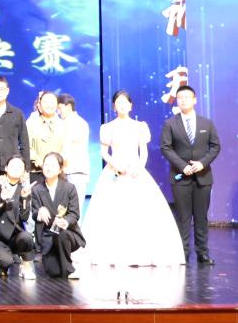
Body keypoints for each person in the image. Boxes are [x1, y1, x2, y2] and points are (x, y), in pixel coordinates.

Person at [80, 90, 184, 267]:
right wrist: (115, 164)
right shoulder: (108, 128)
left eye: (125, 102)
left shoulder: (139, 126)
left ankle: (142, 253)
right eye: (118, 103)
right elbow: (104, 152)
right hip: (114, 171)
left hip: (136, 172)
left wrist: (139, 167)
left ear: (130, 106)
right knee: (112, 213)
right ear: (114, 107)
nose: (122, 106)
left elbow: (143, 152)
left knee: (141, 212)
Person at [160, 84, 221, 265]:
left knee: (201, 217)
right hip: (180, 178)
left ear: (195, 100)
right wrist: (182, 166)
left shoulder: (206, 123)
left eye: (187, 97)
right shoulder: (170, 124)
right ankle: (183, 253)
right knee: (183, 217)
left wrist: (202, 163)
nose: (183, 101)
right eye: (180, 98)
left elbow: (215, 146)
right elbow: (166, 147)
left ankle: (202, 253)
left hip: (203, 177)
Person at [0, 155, 37, 279]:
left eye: (20, 167)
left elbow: (24, 217)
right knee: (5, 262)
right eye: (13, 165)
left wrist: (24, 198)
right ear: (6, 168)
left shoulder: (24, 189)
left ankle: (26, 266)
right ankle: (4, 261)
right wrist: (1, 202)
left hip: (14, 235)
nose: (16, 168)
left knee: (27, 237)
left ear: (24, 172)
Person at [33, 151, 86, 279]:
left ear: (60, 169)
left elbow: (74, 214)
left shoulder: (69, 188)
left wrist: (65, 221)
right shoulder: (37, 189)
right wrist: (39, 211)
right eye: (46, 165)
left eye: (52, 165)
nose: (48, 168)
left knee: (62, 234)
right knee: (54, 272)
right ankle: (59, 262)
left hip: (66, 233)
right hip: (48, 237)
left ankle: (69, 268)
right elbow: (34, 213)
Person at [56, 94, 91, 205]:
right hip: (67, 171)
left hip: (75, 171)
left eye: (60, 108)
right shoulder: (65, 123)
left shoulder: (77, 123)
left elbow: (67, 147)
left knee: (75, 206)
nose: (58, 112)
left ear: (69, 107)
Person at [25, 91, 64, 176]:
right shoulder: (31, 122)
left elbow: (66, 149)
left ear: (57, 105)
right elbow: (26, 147)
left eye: (52, 102)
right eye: (45, 102)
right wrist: (41, 164)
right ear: (39, 105)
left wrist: (56, 165)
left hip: (57, 172)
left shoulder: (62, 125)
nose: (49, 105)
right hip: (36, 171)